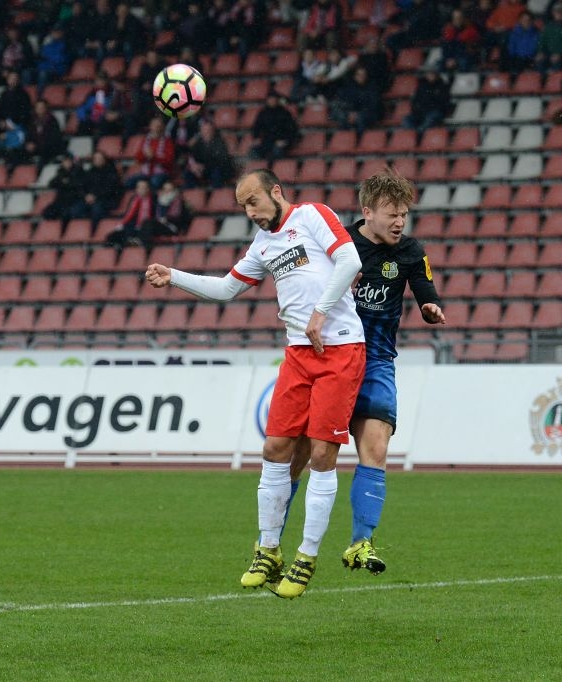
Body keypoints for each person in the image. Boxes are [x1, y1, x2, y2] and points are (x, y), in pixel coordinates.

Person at [144, 169, 366, 599]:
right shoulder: (264, 245)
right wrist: (174, 276)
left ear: (276, 192)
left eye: (254, 202)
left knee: (322, 452)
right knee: (274, 448)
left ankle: (306, 556)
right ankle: (268, 549)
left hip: (340, 349)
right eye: (244, 206)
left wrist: (320, 311)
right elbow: (227, 289)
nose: (251, 212)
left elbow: (350, 260)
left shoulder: (312, 215)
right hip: (299, 354)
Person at [286, 170, 447, 575]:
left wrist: (430, 308)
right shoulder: (338, 245)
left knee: (375, 449)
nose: (399, 223)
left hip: (376, 361)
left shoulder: (410, 251)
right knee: (301, 454)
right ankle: (271, 541)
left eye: (404, 215)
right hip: (333, 359)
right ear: (367, 212)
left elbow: (426, 291)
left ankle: (361, 542)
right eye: (392, 214)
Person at [249, 90, 300, 163]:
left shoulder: (284, 113)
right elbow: (256, 128)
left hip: (281, 142)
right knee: (253, 151)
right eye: (270, 99)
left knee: (276, 152)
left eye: (274, 99)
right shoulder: (263, 113)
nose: (272, 101)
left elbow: (292, 129)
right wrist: (256, 138)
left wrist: (285, 141)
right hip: (266, 142)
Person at [402, 67, 452, 133]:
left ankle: (419, 134)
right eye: (429, 74)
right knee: (406, 119)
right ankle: (412, 136)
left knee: (430, 118)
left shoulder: (442, 87)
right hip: (421, 112)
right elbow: (415, 101)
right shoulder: (422, 86)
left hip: (434, 112)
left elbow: (444, 103)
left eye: (432, 74)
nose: (430, 76)